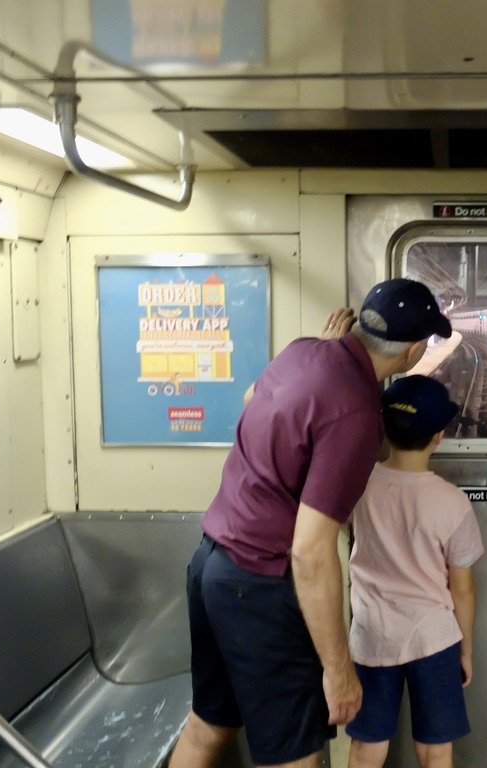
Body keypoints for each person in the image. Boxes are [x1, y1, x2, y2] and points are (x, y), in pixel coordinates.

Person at [169, 278, 452, 768]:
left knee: (209, 726)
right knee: (293, 756)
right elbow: (310, 551)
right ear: (411, 353)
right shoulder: (358, 416)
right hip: (259, 588)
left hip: (210, 565)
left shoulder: (304, 352)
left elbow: (252, 397)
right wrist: (339, 670)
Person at [346, 375, 484, 768]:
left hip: (372, 634)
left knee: (366, 746)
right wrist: (466, 649)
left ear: (384, 427)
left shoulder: (358, 483)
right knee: (435, 750)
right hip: (433, 638)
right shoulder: (452, 503)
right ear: (438, 435)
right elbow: (463, 590)